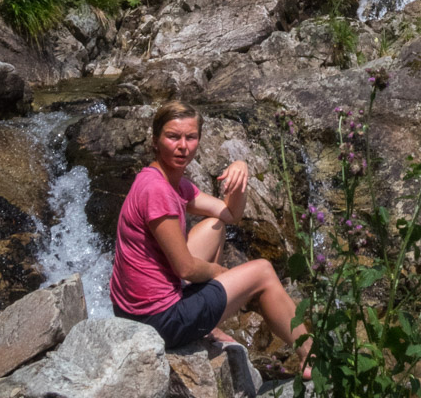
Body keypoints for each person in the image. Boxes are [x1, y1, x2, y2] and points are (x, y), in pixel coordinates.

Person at [109, 100, 311, 373]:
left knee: (214, 226)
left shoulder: (166, 181)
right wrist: (220, 272)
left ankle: (209, 326)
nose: (183, 146)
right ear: (155, 141)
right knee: (262, 272)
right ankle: (312, 358)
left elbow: (229, 213)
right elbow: (186, 268)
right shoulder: (157, 191)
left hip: (136, 312)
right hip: (158, 321)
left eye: (191, 137)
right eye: (173, 136)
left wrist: (240, 173)